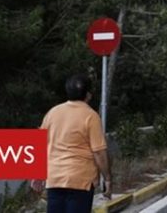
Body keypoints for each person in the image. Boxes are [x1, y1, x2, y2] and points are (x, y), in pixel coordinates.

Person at [33, 74, 112, 213]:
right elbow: (99, 152)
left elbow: (40, 144)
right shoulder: (91, 116)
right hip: (80, 181)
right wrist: (107, 179)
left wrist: (37, 174)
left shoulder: (52, 113)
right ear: (88, 95)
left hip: (55, 179)